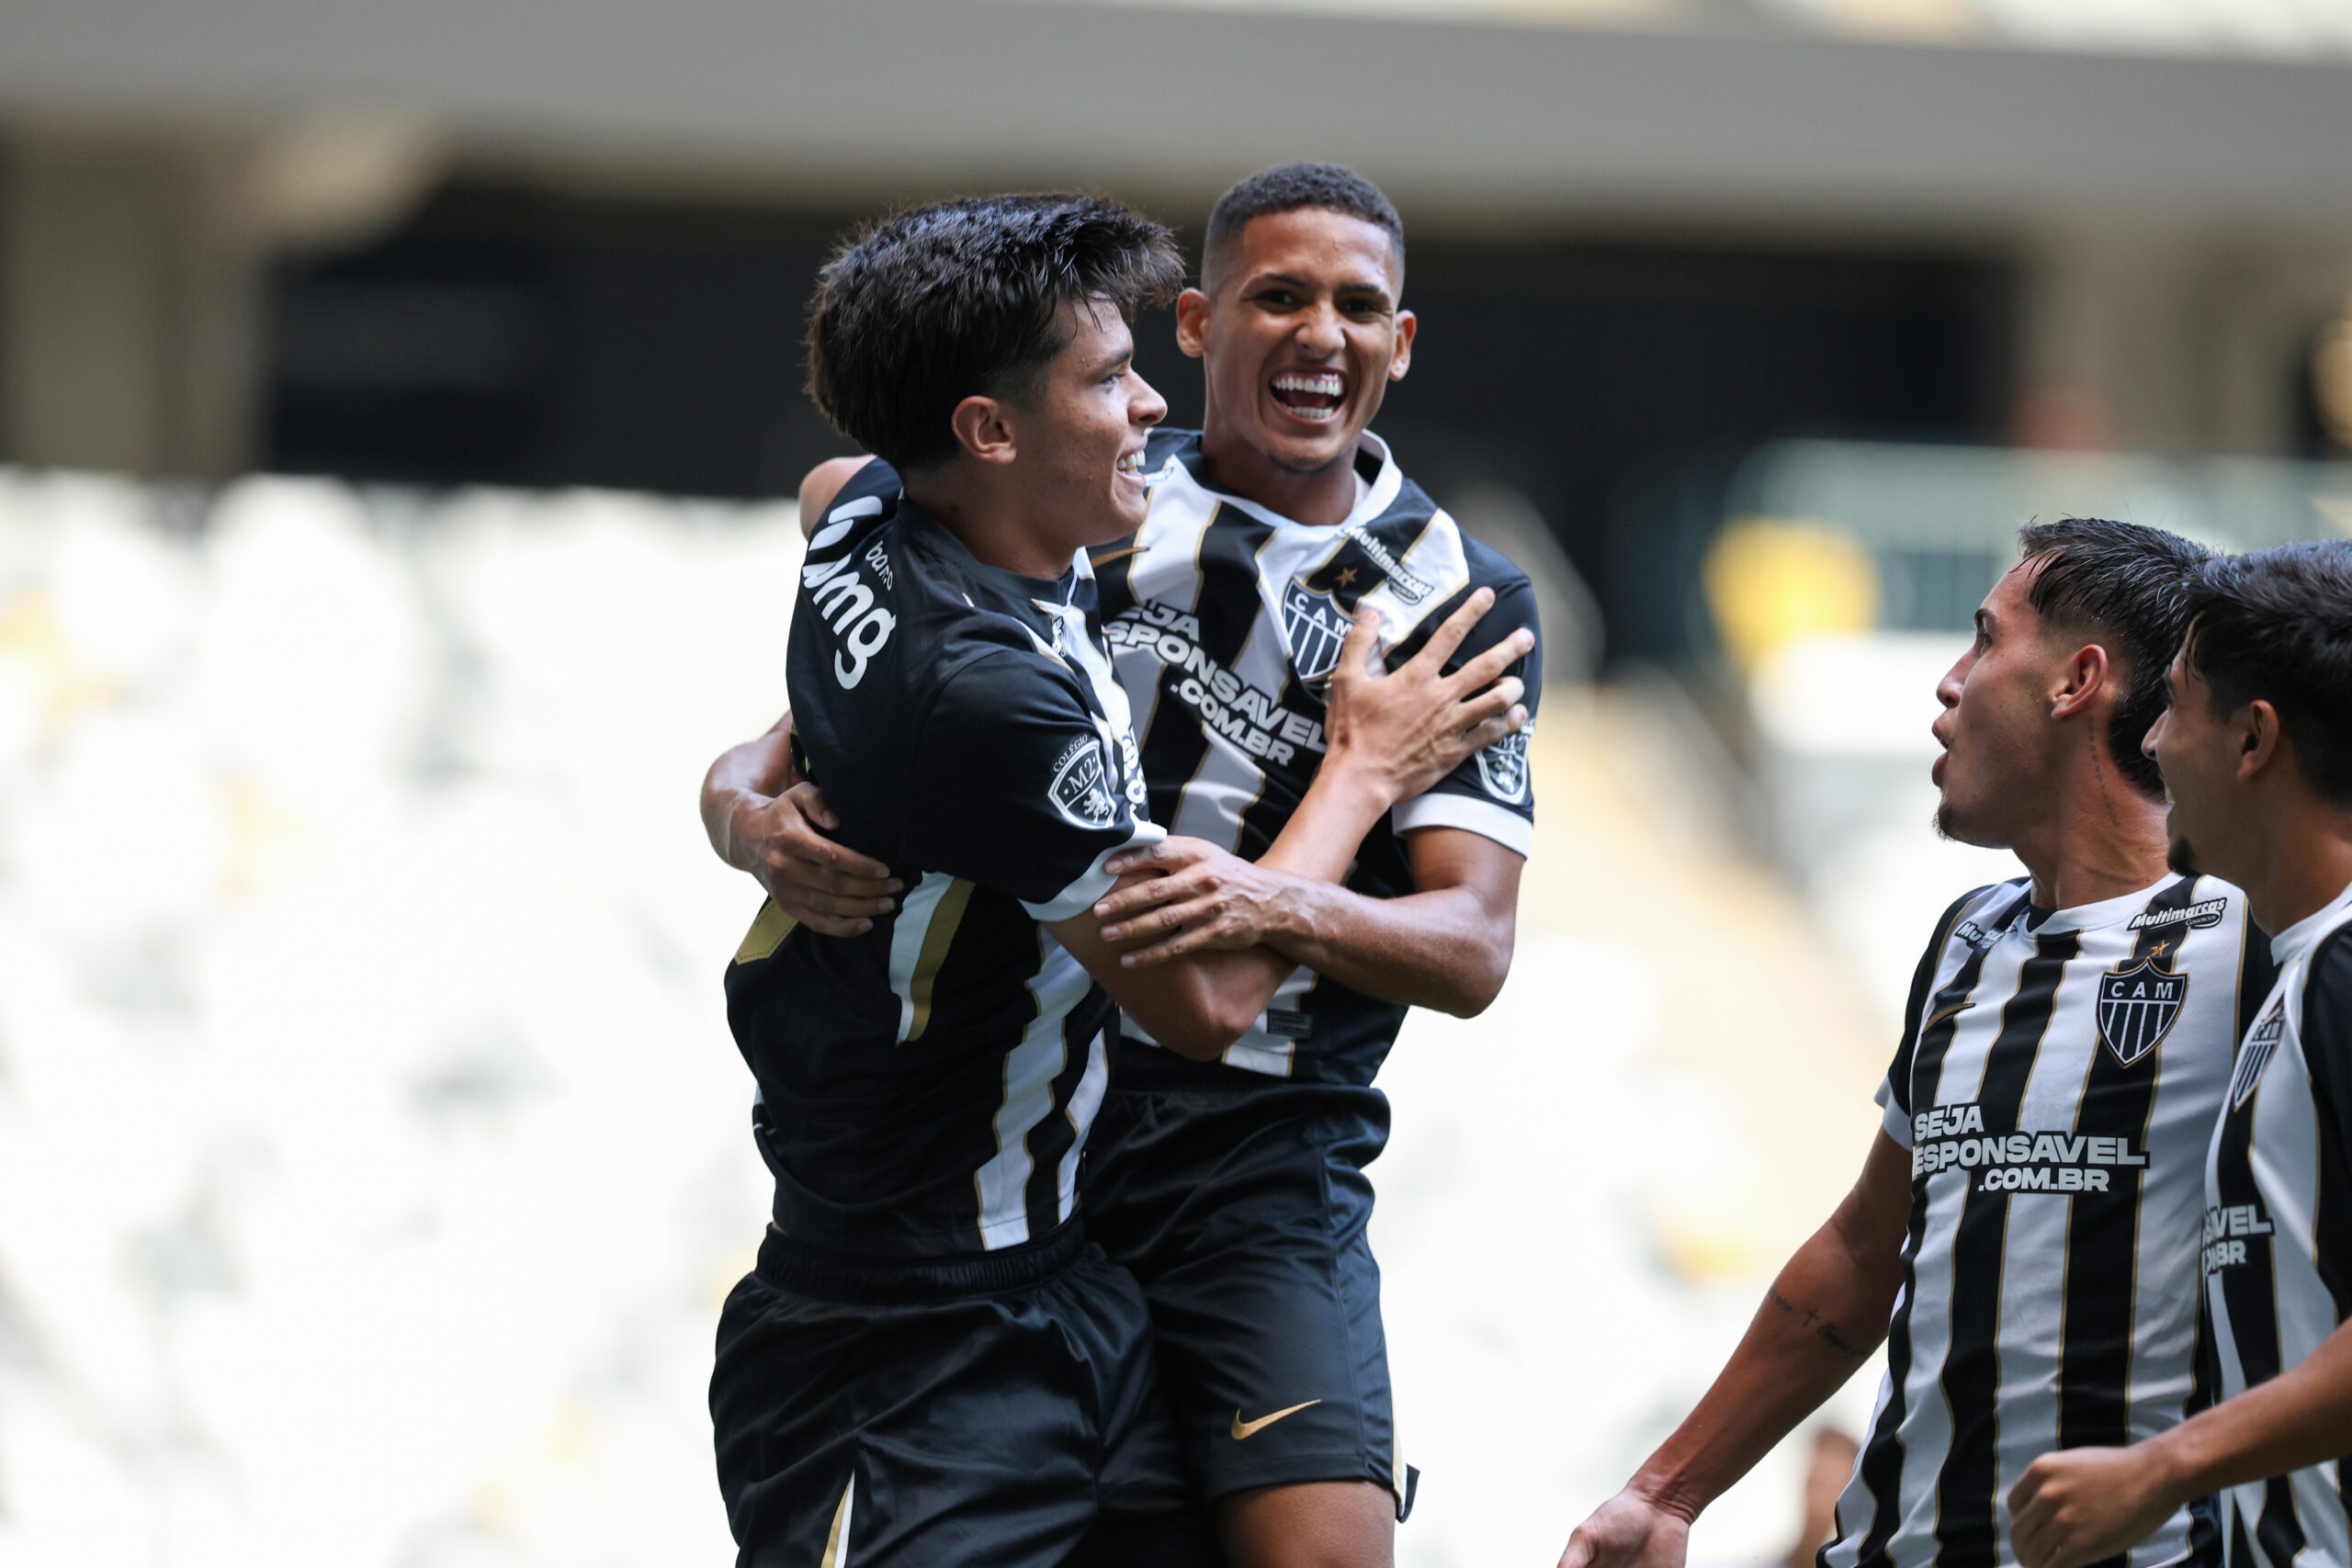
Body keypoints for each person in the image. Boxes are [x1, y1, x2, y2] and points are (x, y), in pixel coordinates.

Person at [704, 164, 1542, 1568]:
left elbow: (1473, 946)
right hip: (1040, 1101)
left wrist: (1275, 889)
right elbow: (873, 542)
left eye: (1358, 306)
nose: (1321, 334)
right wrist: (741, 796)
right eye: (1279, 297)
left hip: (1260, 1140)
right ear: (1200, 324)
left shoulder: (1453, 591)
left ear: (1401, 343)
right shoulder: (1082, 491)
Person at [1555, 518, 2277, 1568]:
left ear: (2077, 681)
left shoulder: (2257, 940)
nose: (1949, 682)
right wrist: (1665, 1494)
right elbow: (1863, 1249)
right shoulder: (1969, 940)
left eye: (1984, 641)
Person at [2006, 541, 2352, 1568]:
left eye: (2177, 705)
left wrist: (2164, 1465)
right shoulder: (2293, 971)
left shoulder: (2343, 969)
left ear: (2253, 738)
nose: (2151, 740)